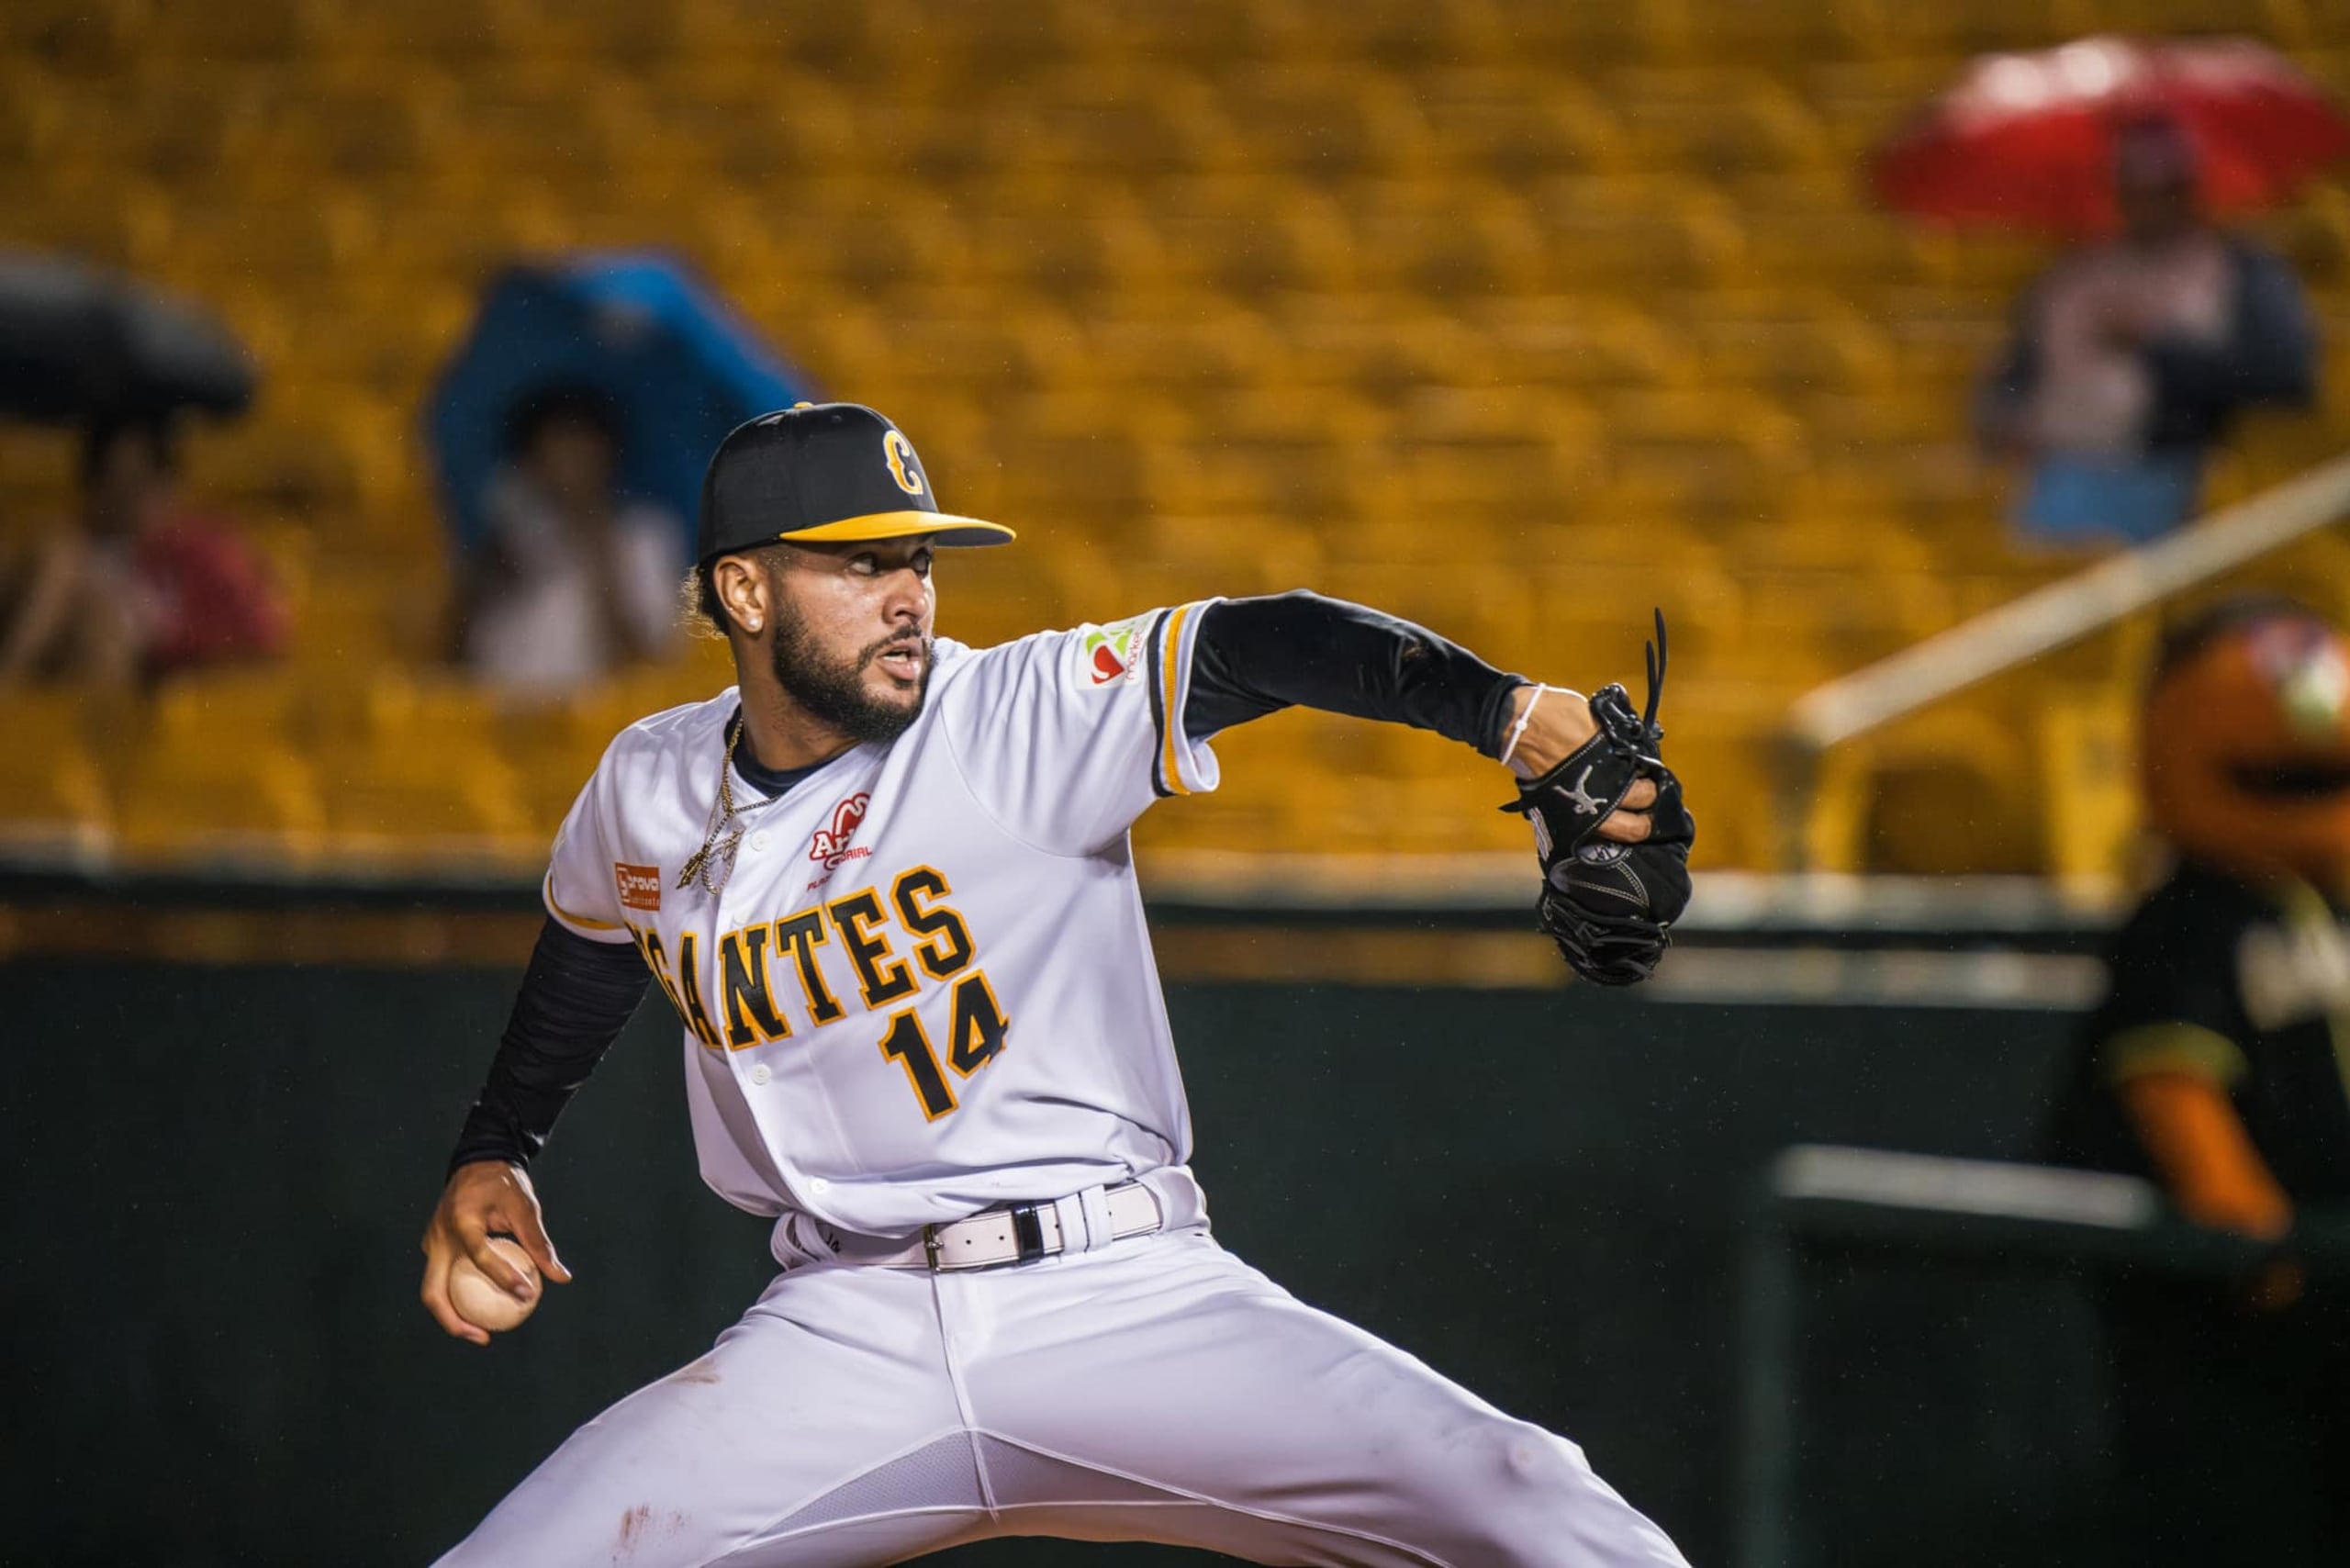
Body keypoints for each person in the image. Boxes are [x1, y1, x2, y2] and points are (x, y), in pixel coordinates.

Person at [420, 402, 1695, 1566]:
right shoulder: (648, 783)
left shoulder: (1004, 716)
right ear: (745, 588)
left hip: (1122, 1297)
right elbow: (594, 940)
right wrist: (500, 1143)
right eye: (863, 564)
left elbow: (1263, 642)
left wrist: (1504, 712)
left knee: (1539, 1506)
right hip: (837, 1331)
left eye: (918, 559)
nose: (910, 594)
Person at [2048, 597, 2350, 1564]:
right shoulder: (2190, 919)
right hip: (2230, 1329)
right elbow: (2169, 1074)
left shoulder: (2322, 913)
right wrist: (2242, 1226)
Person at [1975, 115, 2318, 547]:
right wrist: (2001, 413)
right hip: (2057, 477)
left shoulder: (2239, 272)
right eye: (2134, 187)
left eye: (2162, 188)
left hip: (2174, 475)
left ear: (2188, 188)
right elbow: (2016, 373)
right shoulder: (2071, 275)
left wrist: (2157, 346)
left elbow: (2283, 377)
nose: (2149, 203)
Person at [0, 413, 286, 688]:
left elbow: (263, 637)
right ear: (91, 485)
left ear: (167, 485)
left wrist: (167, 649)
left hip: (140, 679)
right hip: (55, 661)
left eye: (137, 482)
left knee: (99, 627)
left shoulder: (200, 553)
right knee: (55, 563)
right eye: (113, 482)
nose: (125, 499)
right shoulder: (66, 548)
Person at [454, 385, 685, 699]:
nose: (570, 463)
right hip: (501, 722)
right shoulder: (510, 537)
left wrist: (601, 555)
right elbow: (458, 653)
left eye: (581, 448)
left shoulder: (643, 536)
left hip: (595, 726)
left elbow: (647, 661)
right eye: (555, 448)